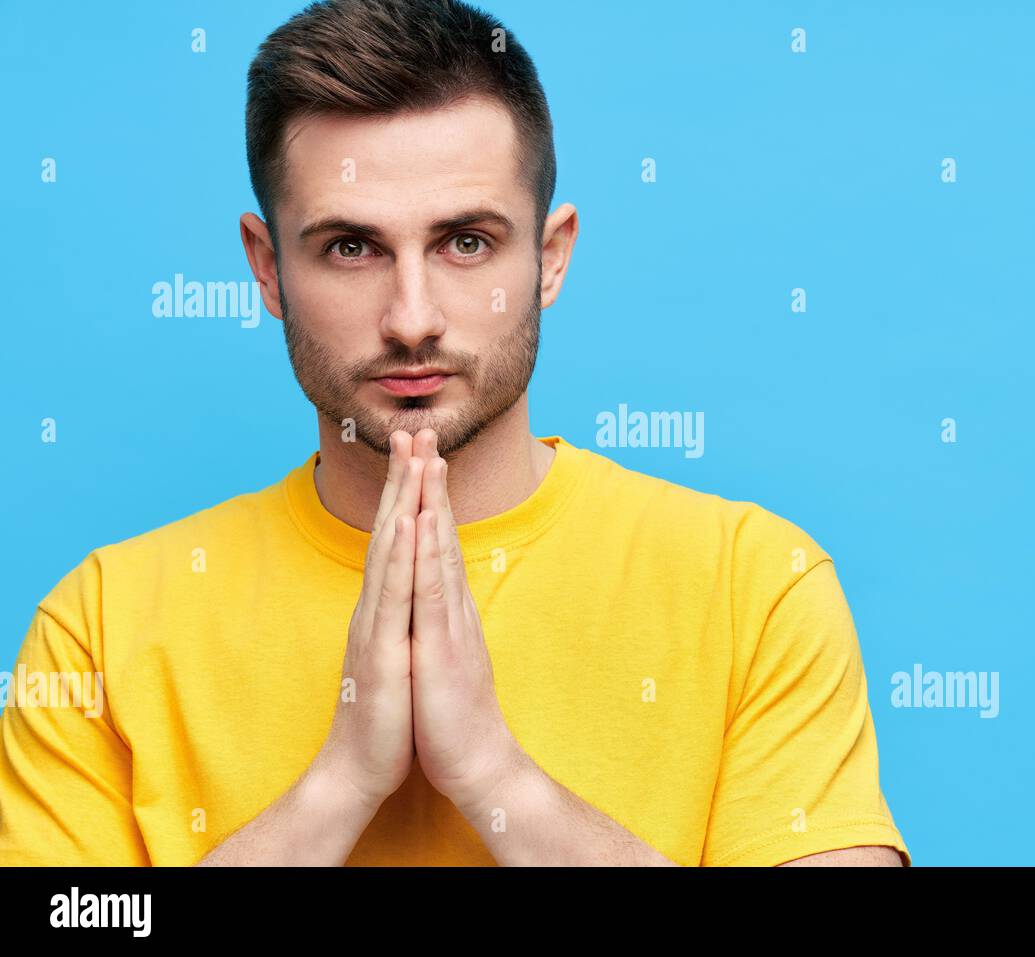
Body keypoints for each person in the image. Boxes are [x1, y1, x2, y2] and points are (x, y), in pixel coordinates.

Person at [0, 0, 910, 867]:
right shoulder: (102, 626)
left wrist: (495, 774)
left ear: (548, 258)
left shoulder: (756, 588)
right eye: (351, 247)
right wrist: (338, 785)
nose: (412, 317)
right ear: (267, 269)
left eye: (465, 242)